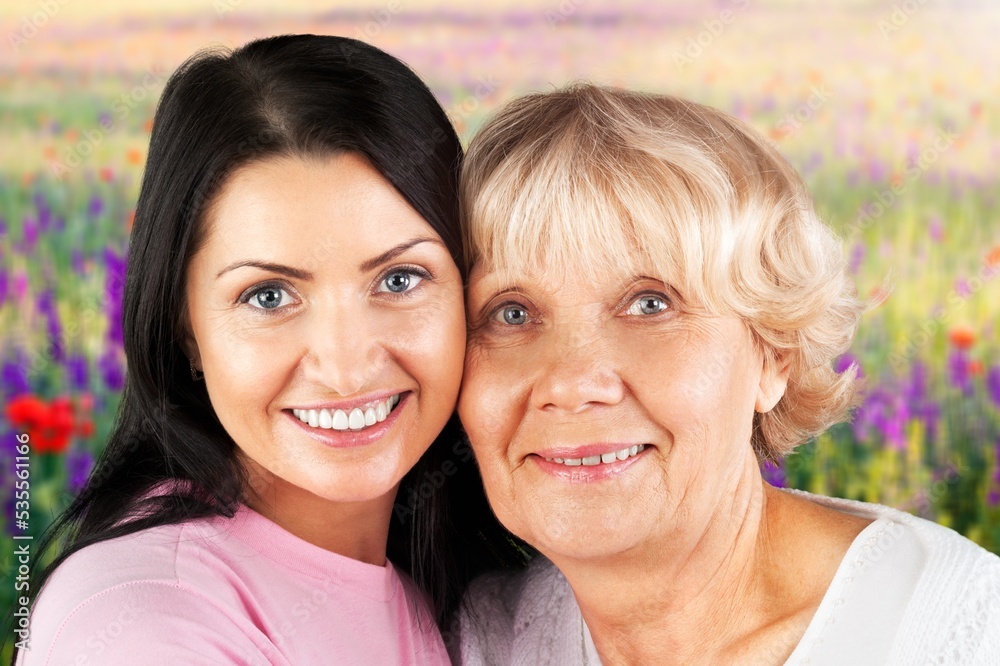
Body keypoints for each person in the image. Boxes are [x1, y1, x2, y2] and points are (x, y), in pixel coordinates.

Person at [13, 34, 521, 665]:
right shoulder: (145, 624)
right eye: (268, 296)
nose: (345, 368)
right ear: (185, 328)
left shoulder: (454, 591)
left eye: (399, 280)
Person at [451, 84, 1000, 665]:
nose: (571, 382)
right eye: (511, 313)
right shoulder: (479, 639)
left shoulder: (966, 633)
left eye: (650, 304)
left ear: (774, 355)